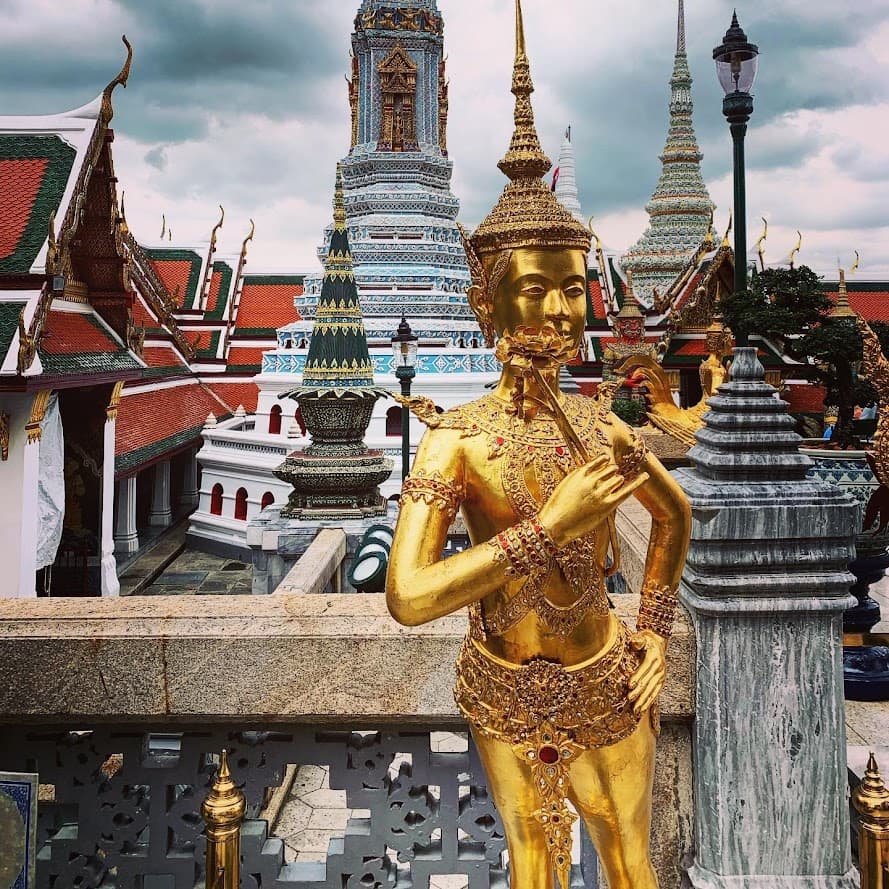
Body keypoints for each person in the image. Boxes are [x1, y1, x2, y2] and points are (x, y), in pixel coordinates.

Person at [386, 4, 691, 888]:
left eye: (572, 291)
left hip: (605, 674)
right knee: (533, 869)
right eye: (535, 292)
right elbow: (408, 595)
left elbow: (671, 520)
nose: (560, 314)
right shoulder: (457, 441)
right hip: (503, 682)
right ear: (486, 305)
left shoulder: (603, 426)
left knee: (630, 863)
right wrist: (546, 528)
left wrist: (656, 635)